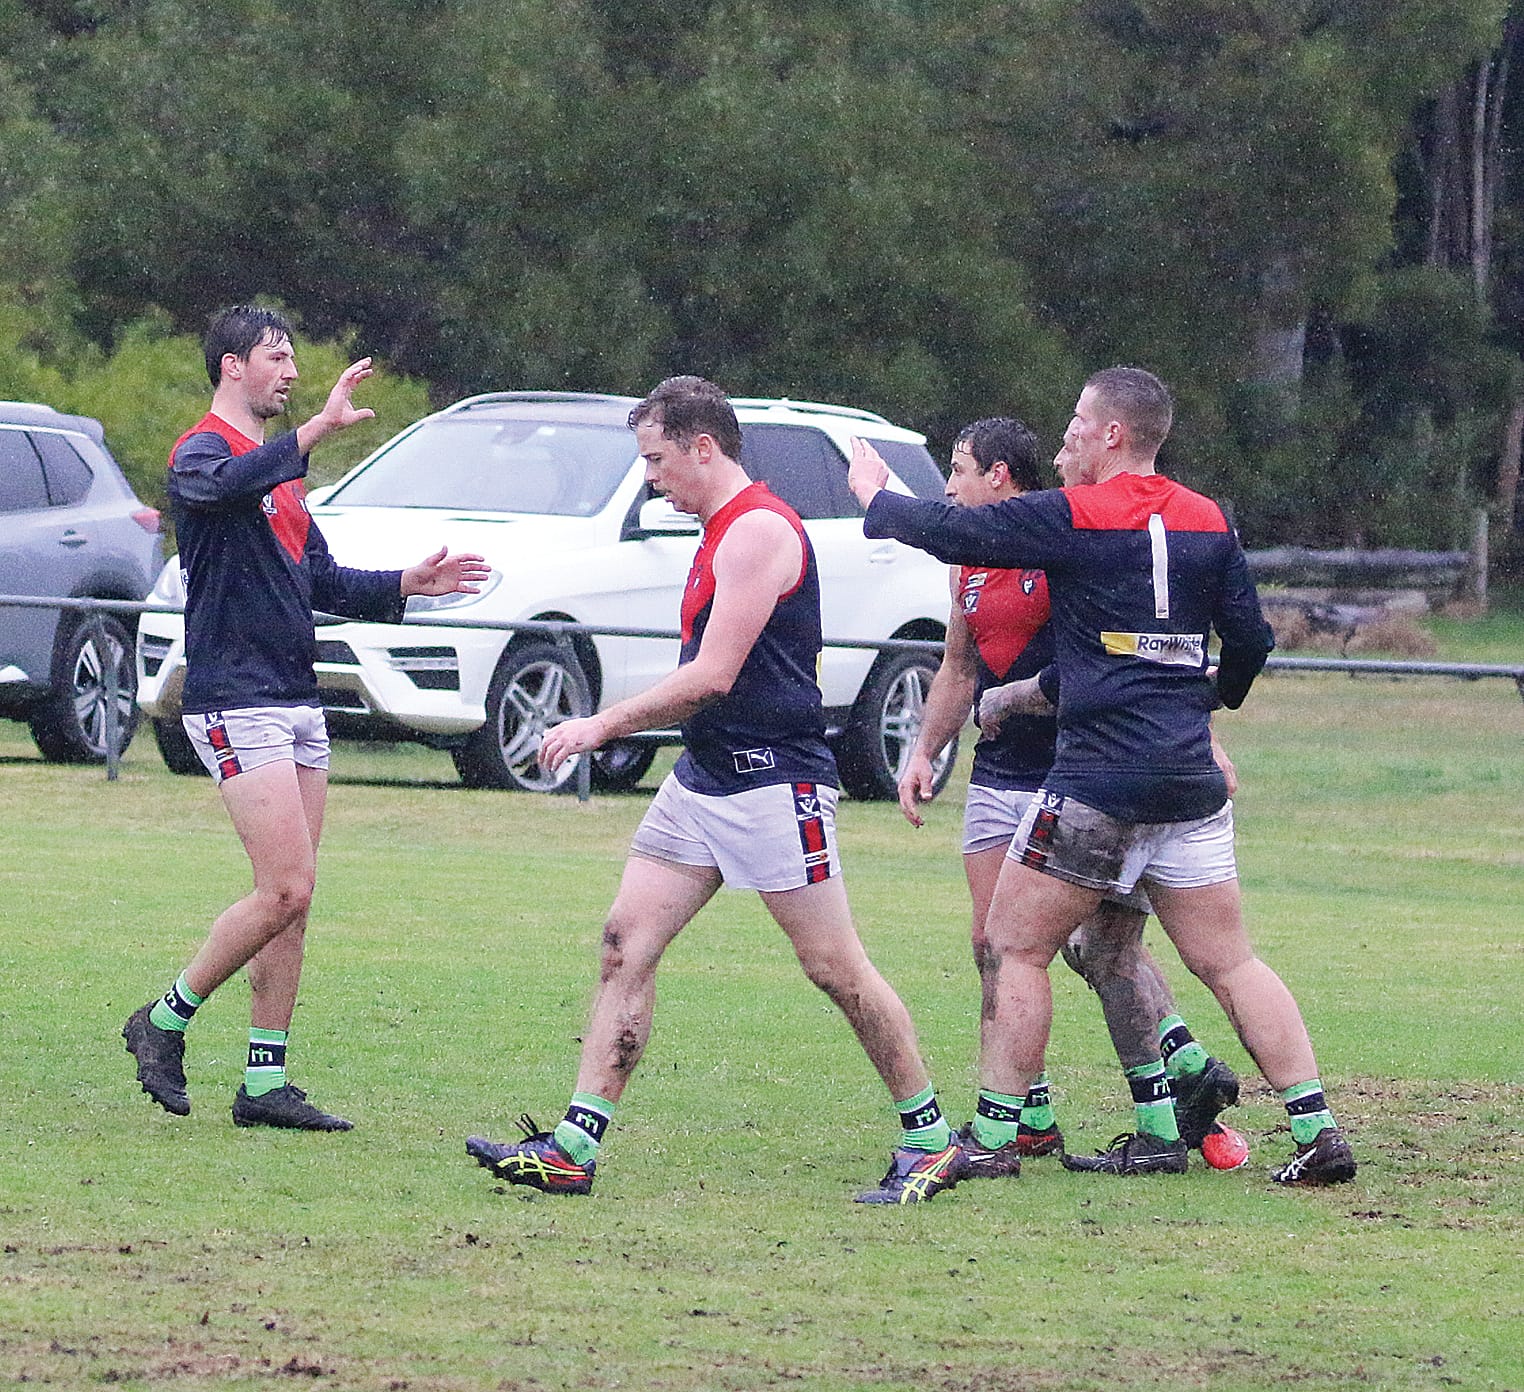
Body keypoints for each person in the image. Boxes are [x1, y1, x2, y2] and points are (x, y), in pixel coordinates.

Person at [848, 367, 1356, 1185]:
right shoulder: (1209, 521)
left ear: (1115, 434)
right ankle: (1320, 1132)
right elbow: (1252, 642)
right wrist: (1205, 698)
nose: (1070, 434)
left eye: (1080, 421)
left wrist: (876, 495)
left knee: (1014, 947)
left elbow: (959, 534)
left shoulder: (1076, 517)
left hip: (1097, 781)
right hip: (1188, 780)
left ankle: (994, 1138)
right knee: (1229, 962)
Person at [463, 375, 961, 1203]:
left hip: (774, 784)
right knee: (626, 945)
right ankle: (574, 1148)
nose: (651, 478)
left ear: (703, 446)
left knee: (835, 968)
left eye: (657, 460)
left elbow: (714, 675)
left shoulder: (758, 530)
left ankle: (933, 1139)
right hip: (704, 779)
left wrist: (600, 724)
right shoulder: (716, 528)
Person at [123, 304, 490, 1130]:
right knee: (284, 886)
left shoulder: (278, 473)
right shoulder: (202, 455)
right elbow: (220, 489)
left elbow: (320, 580)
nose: (289, 372)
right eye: (274, 357)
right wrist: (315, 430)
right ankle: (164, 1020)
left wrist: (405, 585)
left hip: (294, 696)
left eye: (291, 359)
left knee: (293, 896)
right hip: (234, 698)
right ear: (231, 368)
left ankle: (263, 1084)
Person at [897, 416, 1239, 1180]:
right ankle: (1038, 1118)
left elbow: (1136, 657)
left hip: (1079, 773)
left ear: (1000, 479)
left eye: (957, 468)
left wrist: (1200, 735)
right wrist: (925, 750)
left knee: (1099, 949)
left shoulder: (1063, 545)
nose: (947, 487)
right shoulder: (971, 567)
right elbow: (957, 667)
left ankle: (1170, 1080)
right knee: (996, 946)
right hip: (996, 773)